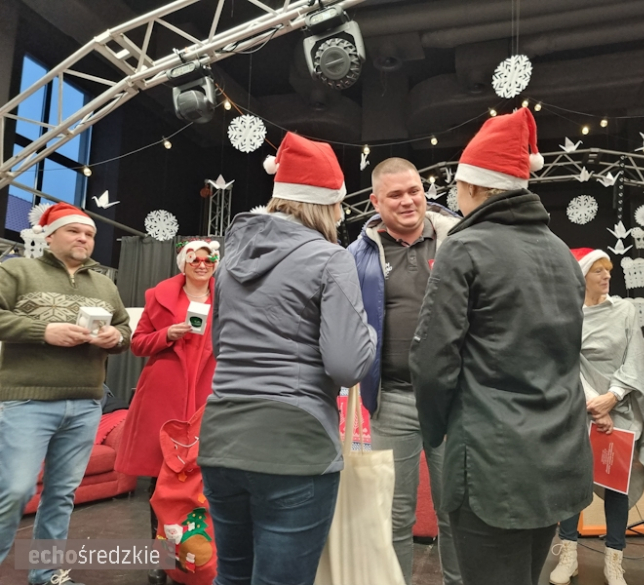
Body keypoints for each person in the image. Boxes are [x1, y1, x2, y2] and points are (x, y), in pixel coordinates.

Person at [409, 107, 593, 585]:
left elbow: (432, 361)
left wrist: (436, 430)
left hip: (491, 461)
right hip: (556, 455)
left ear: (472, 187)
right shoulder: (560, 251)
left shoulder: (465, 248)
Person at [197, 132, 377, 585]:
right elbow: (346, 365)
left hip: (221, 437)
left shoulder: (228, 262)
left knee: (232, 577)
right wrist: (368, 333)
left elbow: (220, 348)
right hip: (293, 446)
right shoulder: (331, 258)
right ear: (328, 205)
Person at [0, 202, 131, 585]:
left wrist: (115, 338)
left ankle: (45, 573)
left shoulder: (105, 284)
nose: (84, 239)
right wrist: (44, 331)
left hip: (87, 402)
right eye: (75, 231)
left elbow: (124, 330)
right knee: (14, 490)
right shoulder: (17, 270)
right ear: (50, 235)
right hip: (27, 400)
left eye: (89, 234)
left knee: (60, 495)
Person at [347, 157, 462, 585]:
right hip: (391, 399)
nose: (409, 200)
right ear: (376, 201)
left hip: (454, 400)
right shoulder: (357, 255)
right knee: (394, 516)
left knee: (456, 511)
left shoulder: (458, 241)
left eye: (414, 190)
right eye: (395, 194)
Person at [550, 248, 644, 585]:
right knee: (573, 480)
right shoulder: (566, 314)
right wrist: (593, 403)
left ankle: (614, 559)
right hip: (578, 408)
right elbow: (565, 361)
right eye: (598, 270)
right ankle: (568, 553)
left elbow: (635, 358)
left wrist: (612, 397)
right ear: (581, 276)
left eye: (609, 270)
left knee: (619, 483)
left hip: (622, 409)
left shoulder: (625, 310)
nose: (606, 276)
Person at [115, 238, 220, 585]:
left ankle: (200, 558)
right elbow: (137, 343)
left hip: (209, 393)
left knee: (207, 480)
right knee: (160, 481)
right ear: (183, 262)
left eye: (208, 259)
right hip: (165, 394)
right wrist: (166, 334)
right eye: (195, 259)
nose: (202, 265)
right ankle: (160, 558)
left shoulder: (230, 297)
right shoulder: (158, 297)